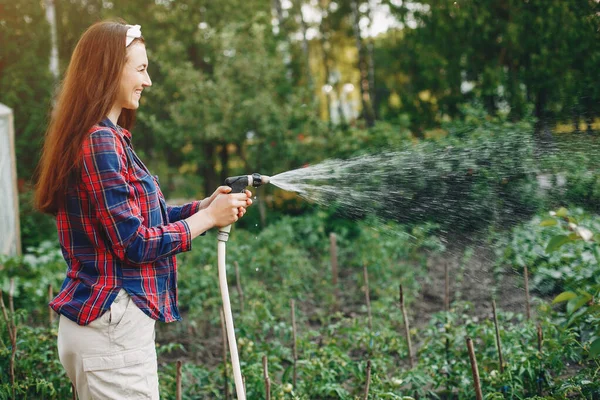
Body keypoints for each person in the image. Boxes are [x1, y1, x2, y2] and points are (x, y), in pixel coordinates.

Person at [34, 21, 252, 399]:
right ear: (107, 70)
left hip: (106, 327)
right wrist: (208, 220)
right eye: (140, 69)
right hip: (111, 329)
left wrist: (203, 207)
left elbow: (138, 220)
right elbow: (133, 243)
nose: (147, 81)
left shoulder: (105, 137)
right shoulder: (100, 141)